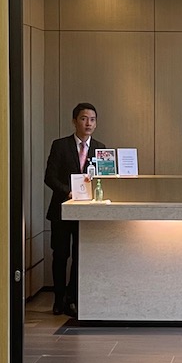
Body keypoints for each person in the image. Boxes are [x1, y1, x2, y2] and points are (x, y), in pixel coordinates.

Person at [43, 102, 101, 316]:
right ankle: (58, 300)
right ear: (74, 121)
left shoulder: (100, 148)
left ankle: (74, 297)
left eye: (92, 119)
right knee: (60, 255)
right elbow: (49, 177)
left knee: (80, 255)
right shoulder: (60, 145)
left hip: (87, 212)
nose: (88, 123)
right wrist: (69, 192)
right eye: (84, 118)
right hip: (62, 210)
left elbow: (104, 178)